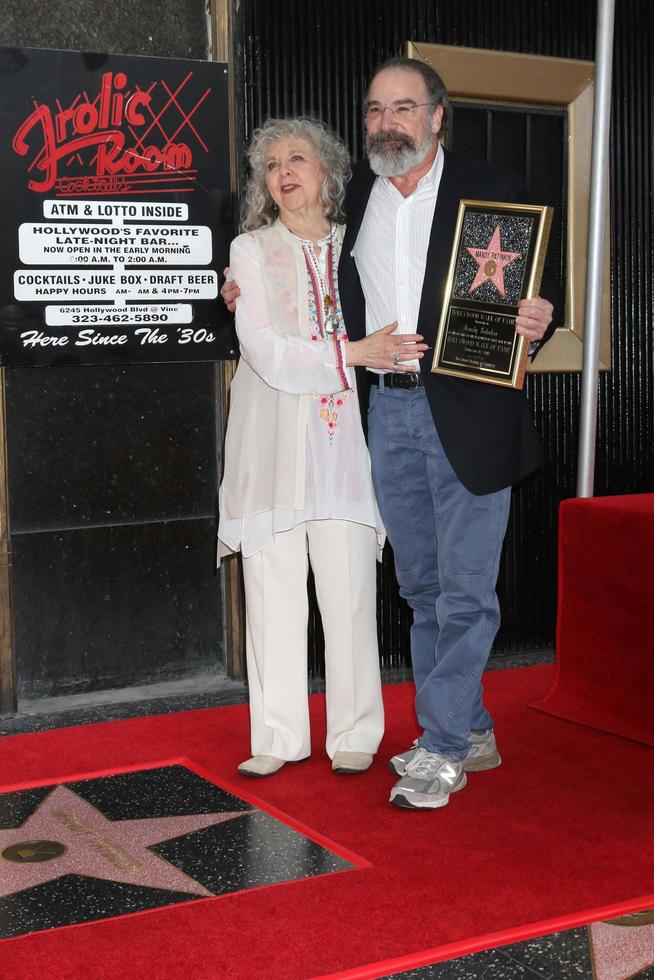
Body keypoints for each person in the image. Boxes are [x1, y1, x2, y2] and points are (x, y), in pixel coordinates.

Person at [223, 59, 561, 809]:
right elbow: (304, 280)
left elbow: (539, 295)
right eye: (375, 110)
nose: (388, 122)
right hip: (390, 414)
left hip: (473, 411)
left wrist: (538, 322)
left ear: (437, 116)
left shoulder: (493, 188)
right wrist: (236, 286)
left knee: (467, 588)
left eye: (404, 108)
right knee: (422, 587)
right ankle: (470, 728)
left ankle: (441, 748)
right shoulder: (358, 211)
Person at [218, 117, 427, 780]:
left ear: (327, 171)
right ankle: (278, 734)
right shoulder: (249, 251)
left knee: (350, 592)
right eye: (271, 164)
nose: (284, 172)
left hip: (345, 447)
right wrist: (353, 354)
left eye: (298, 158)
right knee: (272, 586)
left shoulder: (356, 244)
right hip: (272, 439)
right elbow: (266, 351)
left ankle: (355, 730)